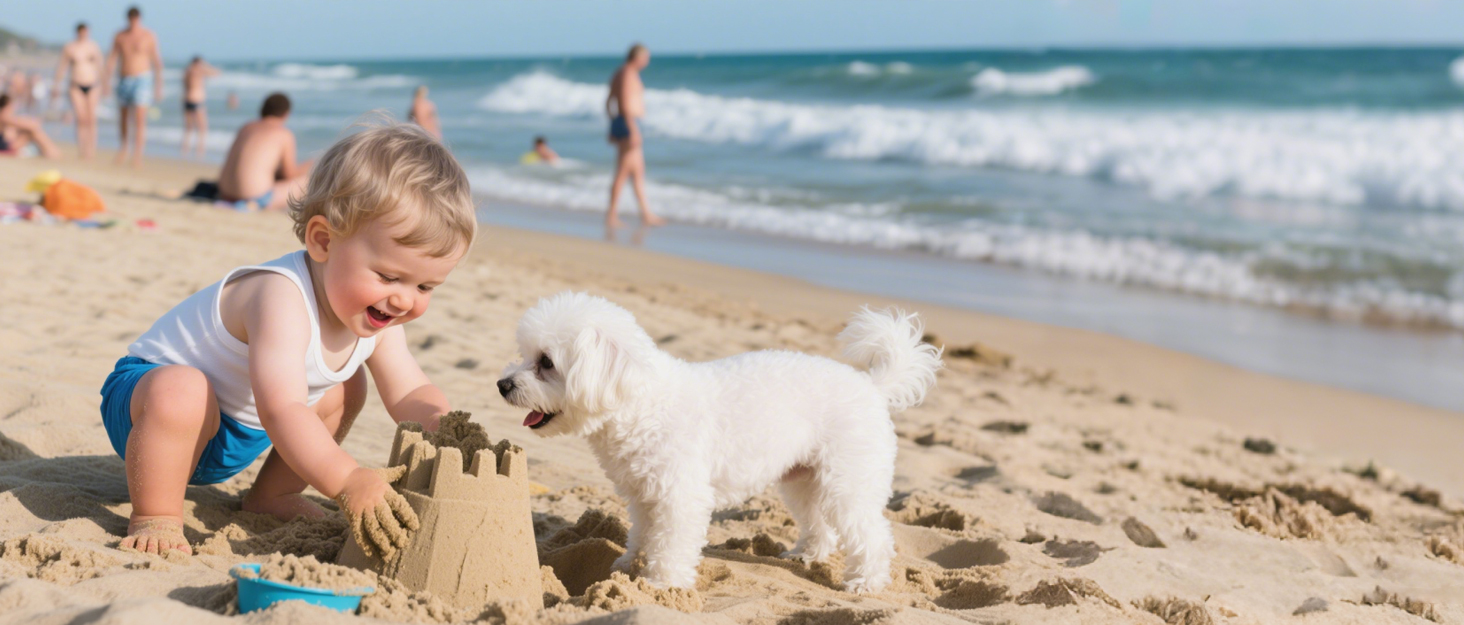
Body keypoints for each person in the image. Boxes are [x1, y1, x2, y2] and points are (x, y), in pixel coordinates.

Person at [98, 121, 477, 555]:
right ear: (323, 241)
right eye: (389, 276)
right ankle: (157, 515)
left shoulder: (380, 318)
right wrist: (346, 479)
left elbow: (409, 390)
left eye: (425, 287)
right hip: (150, 414)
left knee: (347, 384)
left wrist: (446, 429)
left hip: (238, 434)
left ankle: (272, 495)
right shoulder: (280, 295)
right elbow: (282, 409)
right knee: (183, 389)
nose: (403, 300)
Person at [605, 43, 664, 227]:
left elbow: (608, 101)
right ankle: (611, 215)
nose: (647, 62)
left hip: (623, 122)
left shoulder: (620, 72)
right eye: (646, 58)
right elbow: (623, 103)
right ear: (638, 57)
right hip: (629, 123)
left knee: (637, 172)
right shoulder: (628, 74)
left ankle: (645, 214)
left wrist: (613, 124)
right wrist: (631, 128)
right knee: (623, 172)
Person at [218, 93, 309, 211]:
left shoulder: (246, 127)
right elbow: (289, 174)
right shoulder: (284, 134)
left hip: (224, 193)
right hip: (255, 198)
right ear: (286, 114)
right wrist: (308, 166)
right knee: (306, 182)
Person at [102, 6, 163, 168]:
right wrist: (106, 82)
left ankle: (137, 154)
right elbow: (112, 58)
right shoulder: (120, 36)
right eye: (131, 19)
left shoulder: (148, 35)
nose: (133, 22)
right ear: (127, 19)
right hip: (124, 79)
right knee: (123, 117)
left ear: (139, 18)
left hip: (142, 79)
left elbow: (156, 61)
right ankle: (123, 148)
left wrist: (159, 86)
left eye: (135, 19)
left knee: (139, 118)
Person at [54, 22, 103, 160]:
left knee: (91, 119)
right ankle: (82, 149)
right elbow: (62, 67)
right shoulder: (70, 47)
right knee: (81, 118)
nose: (83, 34)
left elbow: (100, 66)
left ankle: (91, 150)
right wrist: (56, 85)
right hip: (76, 85)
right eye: (81, 31)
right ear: (77, 32)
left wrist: (105, 85)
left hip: (93, 85)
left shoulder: (93, 46)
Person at [180, 55, 220, 159]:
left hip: (187, 100)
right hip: (197, 101)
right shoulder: (199, 70)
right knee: (202, 128)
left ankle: (185, 149)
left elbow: (184, 85)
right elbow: (217, 73)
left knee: (188, 127)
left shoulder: (187, 71)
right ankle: (200, 151)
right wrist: (206, 65)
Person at [0, 94, 60, 159]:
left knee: (29, 132)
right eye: (12, 106)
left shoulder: (4, 117)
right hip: (5, 147)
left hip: (6, 144)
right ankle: (52, 152)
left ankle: (51, 152)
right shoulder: (3, 116)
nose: (13, 109)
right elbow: (32, 125)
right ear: (7, 106)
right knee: (32, 131)